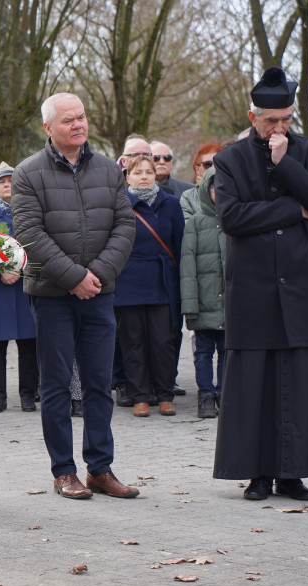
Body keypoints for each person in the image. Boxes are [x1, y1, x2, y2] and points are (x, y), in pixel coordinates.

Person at [11, 92, 139, 500]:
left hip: (99, 294)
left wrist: (96, 276)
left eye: (81, 117)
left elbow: (125, 227)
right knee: (56, 386)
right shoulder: (27, 173)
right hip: (52, 296)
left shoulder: (109, 170)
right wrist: (73, 278)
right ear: (49, 128)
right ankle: (64, 471)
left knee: (100, 384)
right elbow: (30, 234)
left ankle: (100, 469)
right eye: (68, 120)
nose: (78, 125)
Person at [212, 66, 308, 501]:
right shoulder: (229, 159)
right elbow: (232, 219)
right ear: (252, 116)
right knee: (254, 384)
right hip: (253, 288)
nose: (279, 128)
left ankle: (292, 474)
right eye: (270, 121)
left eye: (286, 120)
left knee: (300, 381)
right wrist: (292, 210)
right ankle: (258, 473)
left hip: (304, 285)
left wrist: (285, 165)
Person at [113, 154, 184, 418]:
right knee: (132, 342)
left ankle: (165, 396)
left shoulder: (171, 205)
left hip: (162, 281)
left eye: (149, 172)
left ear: (156, 176)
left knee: (163, 341)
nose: (144, 176)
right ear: (127, 176)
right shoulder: (119, 206)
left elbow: (179, 246)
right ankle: (139, 397)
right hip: (128, 281)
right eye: (138, 172)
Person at [0, 161, 37, 414]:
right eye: (2, 182)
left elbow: (38, 243)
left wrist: (19, 270)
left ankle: (27, 395)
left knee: (28, 344)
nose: (7, 186)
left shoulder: (31, 210)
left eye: (11, 182)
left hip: (24, 285)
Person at [179, 167, 225, 419]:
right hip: (205, 301)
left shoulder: (237, 219)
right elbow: (187, 267)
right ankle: (206, 395)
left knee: (228, 352)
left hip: (230, 303)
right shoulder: (195, 223)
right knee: (203, 353)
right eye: (215, 187)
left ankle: (225, 393)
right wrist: (190, 304)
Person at [180, 142, 222, 220]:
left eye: (217, 163)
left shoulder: (232, 192)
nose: (213, 168)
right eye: (208, 164)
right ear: (198, 170)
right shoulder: (188, 197)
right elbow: (187, 226)